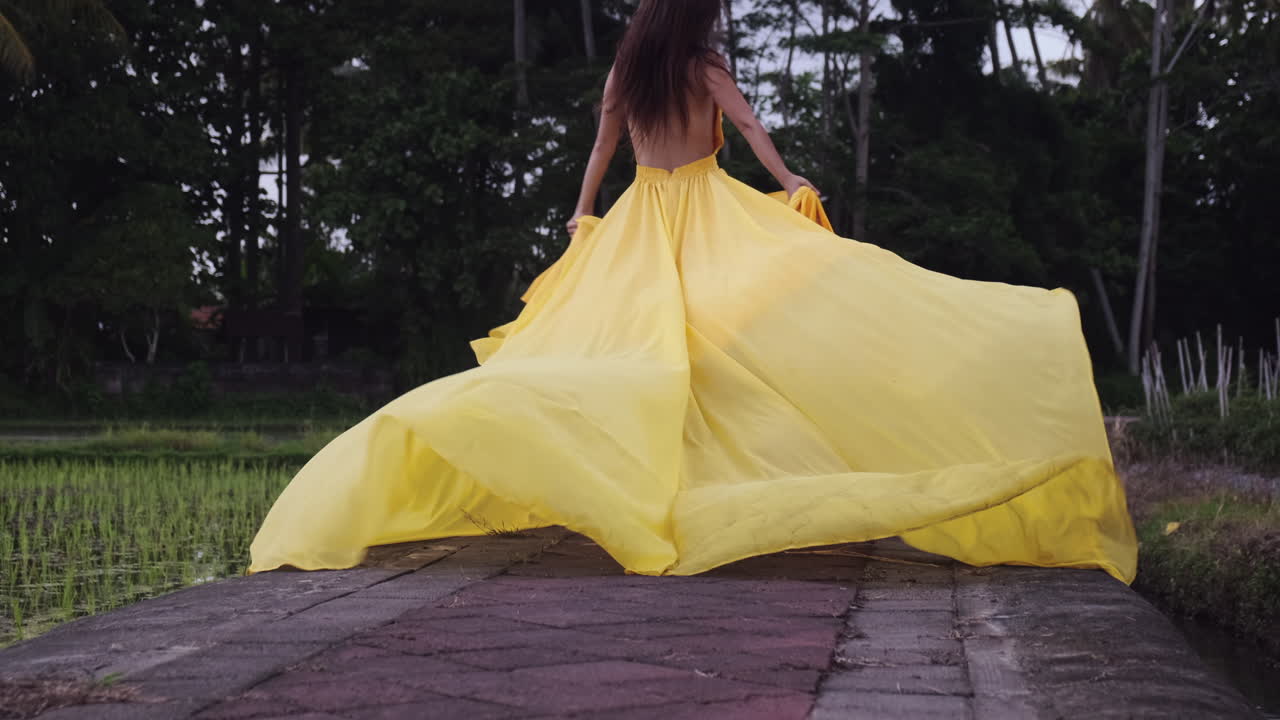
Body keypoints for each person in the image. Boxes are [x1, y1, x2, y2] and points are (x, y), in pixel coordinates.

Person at [249, 0, 1137, 584]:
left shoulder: (626, 74)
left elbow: (602, 149)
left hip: (642, 217)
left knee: (625, 348)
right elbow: (747, 127)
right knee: (717, 342)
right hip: (708, 210)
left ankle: (654, 482)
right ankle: (693, 483)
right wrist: (789, 184)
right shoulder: (703, 68)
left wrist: (584, 214)